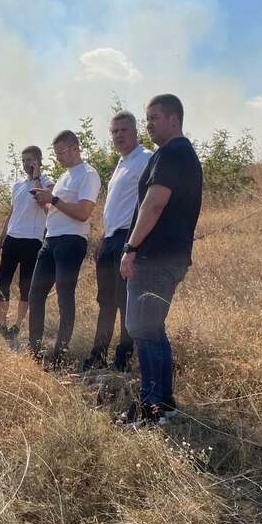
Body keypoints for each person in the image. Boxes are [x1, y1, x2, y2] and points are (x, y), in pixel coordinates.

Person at [120, 95, 202, 426]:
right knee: (153, 328)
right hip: (170, 256)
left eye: (154, 117)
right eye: (147, 117)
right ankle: (164, 403)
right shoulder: (182, 154)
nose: (149, 123)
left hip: (154, 258)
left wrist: (131, 247)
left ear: (174, 119)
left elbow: (153, 205)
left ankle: (151, 408)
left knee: (141, 329)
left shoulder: (172, 153)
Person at [82, 111, 152, 373]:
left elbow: (148, 203)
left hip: (128, 239)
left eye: (124, 130)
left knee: (125, 302)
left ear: (136, 131)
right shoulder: (120, 165)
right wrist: (103, 237)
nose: (119, 135)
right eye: (114, 132)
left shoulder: (146, 159)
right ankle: (97, 354)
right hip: (110, 240)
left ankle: (123, 358)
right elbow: (115, 208)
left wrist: (133, 243)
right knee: (106, 302)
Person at [27, 130, 101, 366]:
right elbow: (55, 209)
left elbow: (82, 213)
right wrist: (45, 200)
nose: (58, 157)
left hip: (71, 241)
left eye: (61, 152)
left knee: (64, 298)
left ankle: (60, 355)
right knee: (35, 294)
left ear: (75, 148)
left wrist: (54, 200)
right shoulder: (63, 177)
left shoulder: (88, 175)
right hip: (51, 240)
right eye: (56, 153)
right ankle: (35, 352)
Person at [0, 146, 53, 338]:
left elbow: (45, 207)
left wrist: (36, 177)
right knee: (3, 283)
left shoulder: (48, 183)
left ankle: (17, 326)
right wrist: (0, 241)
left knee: (25, 287)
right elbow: (12, 213)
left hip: (32, 241)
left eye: (30, 160)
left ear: (39, 161)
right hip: (12, 239)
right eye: (24, 160)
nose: (26, 164)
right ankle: (2, 324)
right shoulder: (17, 185)